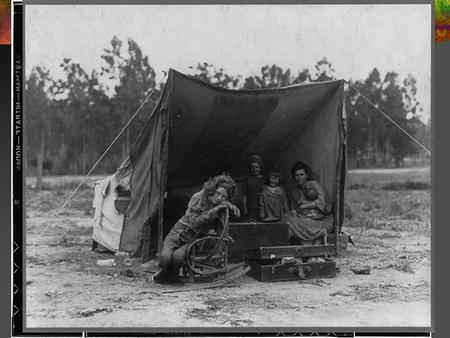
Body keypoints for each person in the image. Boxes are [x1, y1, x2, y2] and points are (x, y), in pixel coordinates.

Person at [153, 174, 240, 284]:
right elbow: (195, 223)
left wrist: (232, 206)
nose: (219, 198)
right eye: (218, 193)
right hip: (177, 233)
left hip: (192, 239)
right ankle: (162, 273)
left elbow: (233, 214)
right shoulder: (198, 197)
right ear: (213, 190)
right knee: (165, 258)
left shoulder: (220, 202)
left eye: (223, 197)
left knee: (178, 258)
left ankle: (173, 277)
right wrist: (214, 211)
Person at [282, 161, 333, 243]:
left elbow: (322, 203)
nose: (299, 178)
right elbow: (296, 208)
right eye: (297, 175)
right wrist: (294, 211)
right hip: (305, 218)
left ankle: (316, 235)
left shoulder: (313, 184)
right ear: (294, 177)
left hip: (320, 220)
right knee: (285, 218)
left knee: (292, 223)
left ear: (307, 175)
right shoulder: (295, 191)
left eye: (302, 175)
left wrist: (307, 206)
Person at [242, 155, 265, 221]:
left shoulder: (264, 179)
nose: (255, 169)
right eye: (253, 167)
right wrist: (245, 207)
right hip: (250, 207)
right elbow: (244, 195)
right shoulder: (247, 180)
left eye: (256, 167)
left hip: (262, 207)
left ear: (260, 168)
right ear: (250, 168)